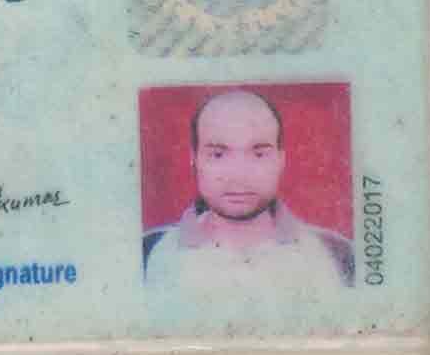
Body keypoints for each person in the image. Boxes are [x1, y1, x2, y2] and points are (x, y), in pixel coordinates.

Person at [142, 90, 353, 290]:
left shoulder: (338, 256)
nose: (239, 174)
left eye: (259, 154)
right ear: (194, 159)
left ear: (281, 160)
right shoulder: (145, 254)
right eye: (218, 155)